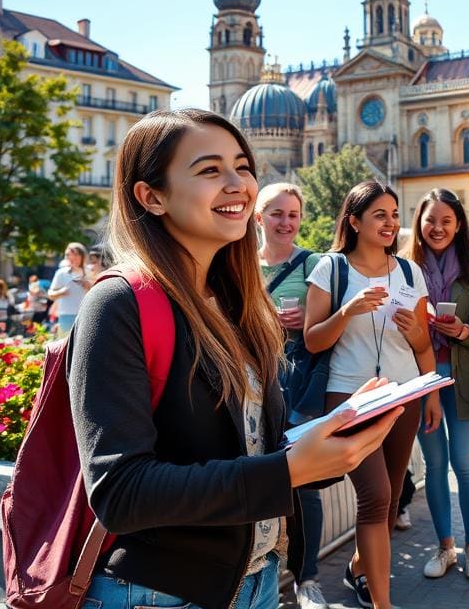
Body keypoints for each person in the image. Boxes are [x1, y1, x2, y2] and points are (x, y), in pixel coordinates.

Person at [69, 109, 400, 609]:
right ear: (151, 196)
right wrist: (285, 472)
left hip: (257, 582)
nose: (238, 184)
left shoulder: (234, 302)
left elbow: (250, 448)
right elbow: (120, 493)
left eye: (243, 167)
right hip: (159, 594)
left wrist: (335, 437)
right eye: (210, 169)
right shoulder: (118, 304)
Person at [304, 180, 439, 609]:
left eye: (394, 215)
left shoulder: (410, 272)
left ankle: (360, 567)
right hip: (350, 398)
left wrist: (430, 386)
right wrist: (348, 311)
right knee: (376, 496)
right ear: (354, 221)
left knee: (392, 498)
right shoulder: (330, 268)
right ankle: (383, 603)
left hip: (404, 395)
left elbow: (423, 345)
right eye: (380, 215)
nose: (390, 223)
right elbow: (312, 340)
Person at [406, 188, 469, 579]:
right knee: (434, 465)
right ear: (419, 223)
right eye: (430, 220)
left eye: (446, 221)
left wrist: (463, 331)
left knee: (464, 462)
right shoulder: (404, 268)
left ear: (458, 225)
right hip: (420, 377)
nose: (437, 228)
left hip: (462, 375)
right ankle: (445, 548)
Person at [255, 182, 328, 609]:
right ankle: (260, 571)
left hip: (297, 383)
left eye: (293, 215)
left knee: (306, 484)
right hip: (252, 381)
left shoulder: (313, 263)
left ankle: (308, 578)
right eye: (277, 213)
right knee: (255, 477)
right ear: (259, 217)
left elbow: (329, 327)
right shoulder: (240, 263)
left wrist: (308, 319)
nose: (286, 222)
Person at [48, 242, 91, 336]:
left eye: (75, 255)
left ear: (82, 255)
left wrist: (89, 286)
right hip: (66, 315)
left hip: (86, 314)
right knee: (65, 342)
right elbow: (50, 294)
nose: (71, 258)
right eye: (68, 255)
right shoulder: (61, 273)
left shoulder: (90, 272)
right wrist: (61, 292)